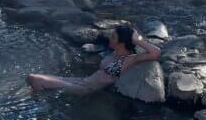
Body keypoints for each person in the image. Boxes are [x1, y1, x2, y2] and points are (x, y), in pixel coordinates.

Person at [26, 24, 161, 94]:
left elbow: (156, 52)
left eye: (113, 37)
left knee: (35, 79)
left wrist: (136, 40)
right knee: (31, 78)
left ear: (122, 43)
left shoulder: (129, 59)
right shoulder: (114, 53)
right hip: (82, 81)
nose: (109, 38)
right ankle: (42, 97)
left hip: (87, 88)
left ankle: (42, 102)